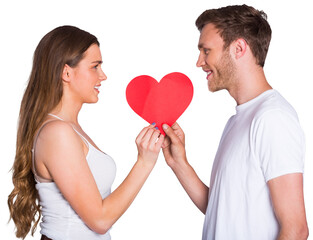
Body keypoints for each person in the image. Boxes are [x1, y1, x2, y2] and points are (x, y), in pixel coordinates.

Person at [161, 5, 309, 240]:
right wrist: (179, 163)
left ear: (239, 48)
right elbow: (220, 209)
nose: (199, 62)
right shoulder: (238, 120)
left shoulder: (272, 119)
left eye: (206, 51)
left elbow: (296, 230)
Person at [8, 25, 164, 240]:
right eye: (95, 67)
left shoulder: (68, 129)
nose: (103, 76)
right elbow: (100, 220)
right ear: (66, 72)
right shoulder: (57, 132)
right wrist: (144, 162)